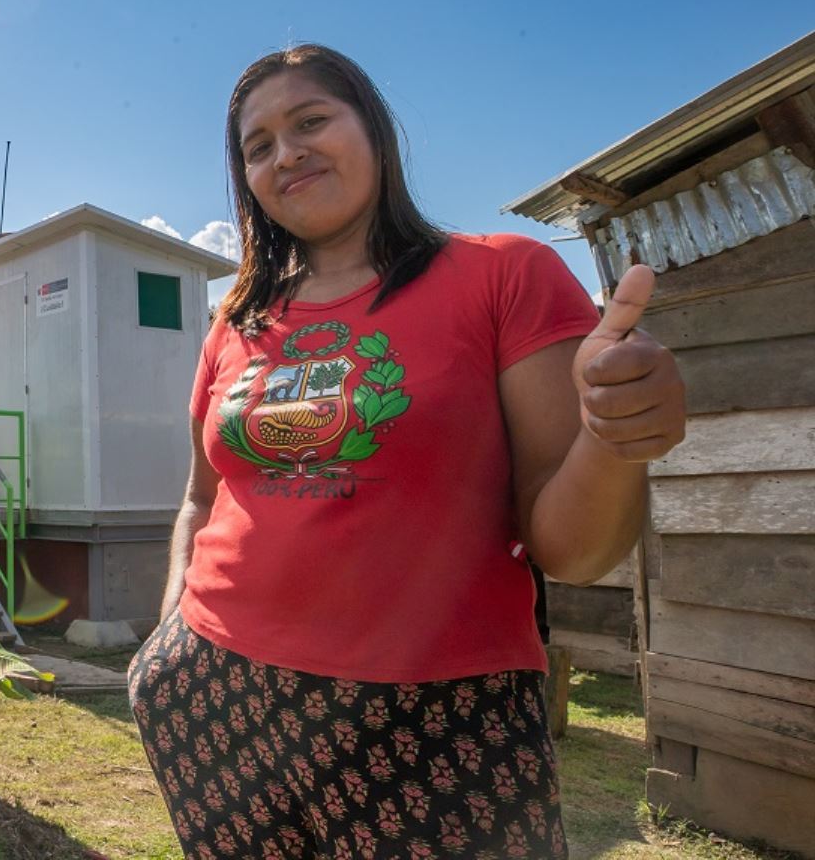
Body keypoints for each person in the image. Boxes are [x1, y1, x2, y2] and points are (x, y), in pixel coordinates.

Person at [128, 45, 686, 859]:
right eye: (258, 146)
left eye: (312, 120)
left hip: (437, 720)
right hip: (217, 699)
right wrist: (167, 638)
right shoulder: (234, 324)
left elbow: (576, 553)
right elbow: (202, 498)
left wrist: (614, 439)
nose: (287, 152)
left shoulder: (502, 276)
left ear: (375, 133)